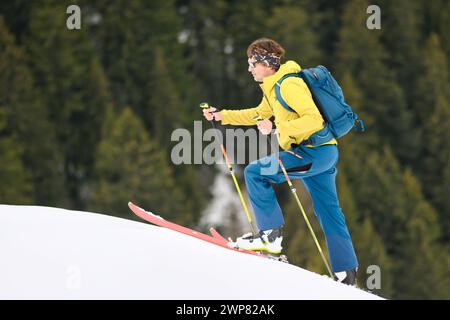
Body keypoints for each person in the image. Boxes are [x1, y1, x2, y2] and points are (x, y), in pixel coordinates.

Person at [202, 38, 358, 285]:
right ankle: (346, 273)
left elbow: (313, 121)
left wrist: (276, 126)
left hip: (313, 151)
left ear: (267, 63)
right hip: (322, 152)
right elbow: (258, 114)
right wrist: (221, 115)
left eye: (253, 63)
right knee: (329, 210)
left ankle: (270, 235)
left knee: (256, 172)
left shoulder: (289, 85)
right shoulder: (272, 87)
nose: (249, 68)